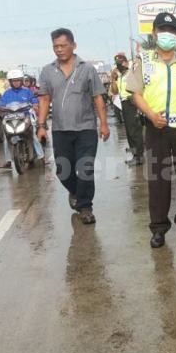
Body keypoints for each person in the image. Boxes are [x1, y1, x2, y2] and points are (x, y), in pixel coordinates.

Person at [127, 12, 176, 248]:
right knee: (159, 179)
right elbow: (135, 93)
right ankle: (159, 228)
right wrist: (151, 115)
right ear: (154, 33)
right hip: (156, 126)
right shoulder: (143, 60)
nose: (166, 34)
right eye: (161, 30)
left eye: (171, 30)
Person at [37, 28, 110, 224]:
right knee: (63, 171)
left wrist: (104, 124)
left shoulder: (87, 69)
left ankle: (85, 207)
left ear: (73, 45)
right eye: (55, 47)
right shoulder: (47, 71)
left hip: (86, 128)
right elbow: (44, 99)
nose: (59, 50)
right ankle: (75, 191)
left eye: (63, 45)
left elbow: (97, 97)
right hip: (60, 130)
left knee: (85, 169)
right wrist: (41, 125)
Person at [0, 69, 45, 169]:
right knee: (6, 139)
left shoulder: (27, 91)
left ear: (21, 81)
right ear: (10, 82)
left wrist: (35, 104)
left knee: (33, 136)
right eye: (13, 81)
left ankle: (42, 157)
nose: (16, 82)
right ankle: (8, 161)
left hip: (25, 117)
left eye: (18, 80)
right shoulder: (7, 93)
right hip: (10, 118)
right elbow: (1, 103)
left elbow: (33, 99)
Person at [110, 52, 144, 165]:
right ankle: (135, 154)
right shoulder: (120, 76)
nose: (119, 65)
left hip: (132, 102)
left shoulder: (132, 73)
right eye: (117, 64)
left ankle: (139, 157)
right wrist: (112, 79)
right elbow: (115, 91)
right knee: (129, 131)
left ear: (125, 62)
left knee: (135, 130)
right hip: (124, 103)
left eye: (121, 63)